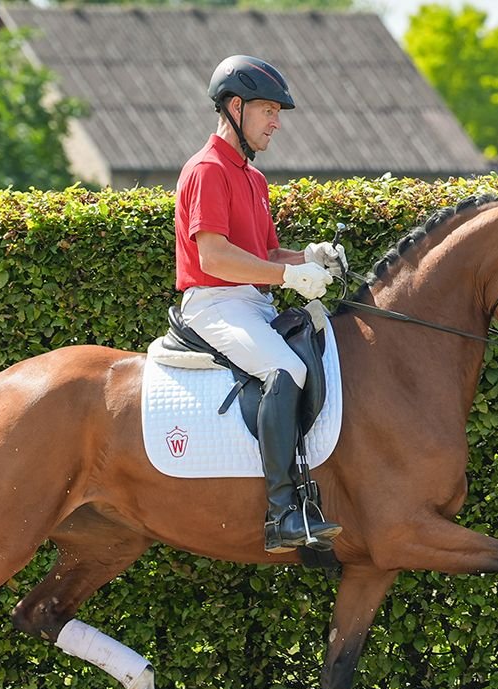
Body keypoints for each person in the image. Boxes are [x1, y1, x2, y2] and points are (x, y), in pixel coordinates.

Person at [174, 54, 347, 554]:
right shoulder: (207, 170)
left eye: (277, 112)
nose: (276, 122)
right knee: (285, 369)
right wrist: (289, 276)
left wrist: (310, 257)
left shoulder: (252, 177)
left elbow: (264, 253)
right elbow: (215, 255)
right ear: (235, 107)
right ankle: (282, 513)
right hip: (214, 302)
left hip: (251, 301)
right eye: (268, 110)